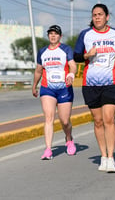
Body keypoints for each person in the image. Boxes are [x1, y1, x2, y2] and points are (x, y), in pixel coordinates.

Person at [73, 4, 115, 173]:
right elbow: (76, 56)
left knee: (109, 119)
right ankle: (103, 156)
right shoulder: (86, 35)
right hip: (90, 83)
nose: (97, 17)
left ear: (107, 17)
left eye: (100, 14)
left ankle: (111, 158)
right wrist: (87, 55)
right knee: (98, 121)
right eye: (94, 15)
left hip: (112, 81)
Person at [32, 25, 77, 160]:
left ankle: (68, 139)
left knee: (64, 120)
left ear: (60, 36)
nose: (53, 36)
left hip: (64, 88)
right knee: (48, 118)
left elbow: (73, 65)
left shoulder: (66, 49)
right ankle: (48, 149)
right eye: (51, 33)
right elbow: (39, 70)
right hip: (47, 88)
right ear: (48, 36)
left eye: (56, 34)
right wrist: (34, 85)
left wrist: (71, 75)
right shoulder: (42, 52)